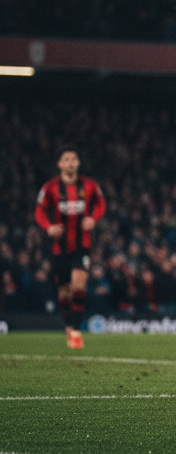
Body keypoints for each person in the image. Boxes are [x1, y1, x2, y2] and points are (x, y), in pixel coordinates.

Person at [35, 145, 106, 348]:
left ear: (78, 162)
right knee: (64, 291)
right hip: (59, 247)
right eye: (66, 159)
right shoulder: (50, 188)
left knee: (79, 284)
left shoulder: (90, 186)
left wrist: (93, 218)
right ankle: (68, 325)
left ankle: (76, 330)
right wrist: (48, 227)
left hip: (82, 245)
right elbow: (39, 211)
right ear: (59, 164)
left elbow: (101, 203)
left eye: (74, 158)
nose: (70, 162)